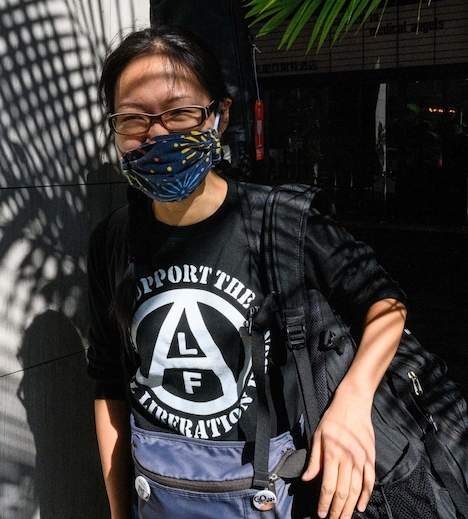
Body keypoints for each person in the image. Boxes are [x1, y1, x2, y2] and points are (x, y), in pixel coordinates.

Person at [86, 25, 408, 519]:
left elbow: (385, 303)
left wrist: (353, 400)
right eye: (133, 119)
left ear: (220, 116)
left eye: (179, 113)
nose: (157, 134)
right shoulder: (112, 242)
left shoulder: (282, 222)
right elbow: (109, 383)